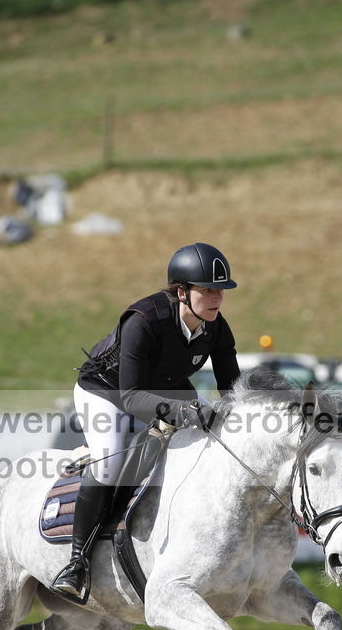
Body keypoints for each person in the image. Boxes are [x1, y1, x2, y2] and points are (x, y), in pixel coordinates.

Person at [51, 241, 240, 604]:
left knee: (218, 432)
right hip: (107, 393)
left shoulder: (215, 326)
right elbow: (131, 398)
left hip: (164, 388)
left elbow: (232, 389)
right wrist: (183, 412)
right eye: (208, 290)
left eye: (220, 290)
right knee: (109, 465)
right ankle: (76, 563)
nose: (217, 297)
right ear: (181, 292)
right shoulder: (143, 321)